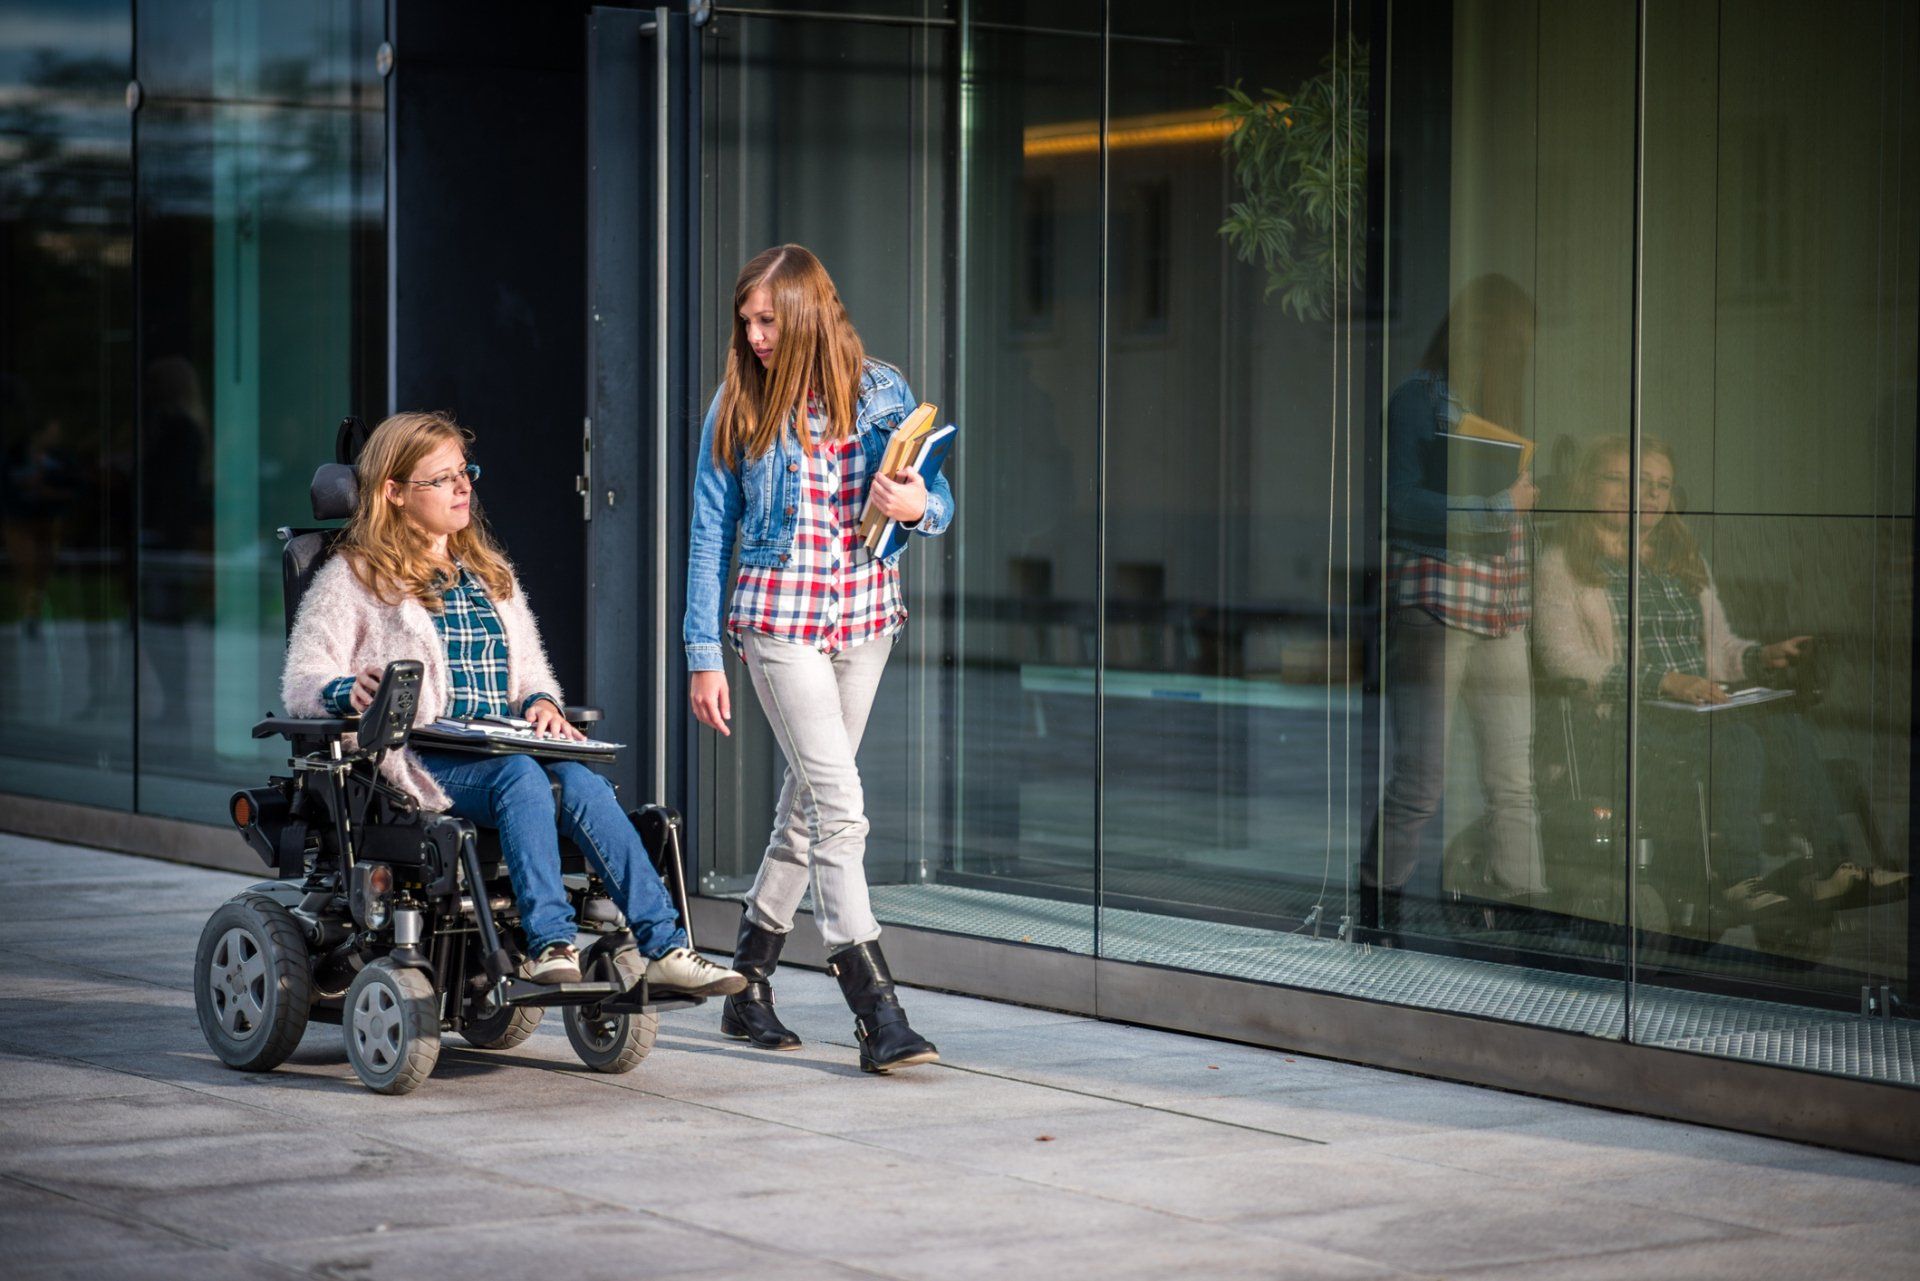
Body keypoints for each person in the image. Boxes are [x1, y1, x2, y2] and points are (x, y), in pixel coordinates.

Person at [283, 411, 746, 995]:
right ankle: (549, 942)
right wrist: (343, 690)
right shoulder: (352, 577)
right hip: (417, 759)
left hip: (498, 741)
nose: (462, 488)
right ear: (394, 493)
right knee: (522, 778)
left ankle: (666, 946)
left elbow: (530, 673)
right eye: (441, 479)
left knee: (582, 786)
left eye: (464, 473)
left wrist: (544, 702)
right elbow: (303, 678)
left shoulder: (486, 573)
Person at [685, 244, 954, 1073]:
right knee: (839, 802)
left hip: (865, 619)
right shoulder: (740, 403)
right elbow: (708, 531)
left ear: (806, 312)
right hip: (780, 625)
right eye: (747, 322)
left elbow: (934, 498)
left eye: (769, 319)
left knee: (805, 810)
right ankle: (875, 1006)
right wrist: (703, 651)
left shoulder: (882, 389)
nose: (755, 335)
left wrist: (917, 506)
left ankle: (749, 982)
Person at [1534, 434, 1905, 920]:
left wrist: (1758, 659)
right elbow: (1564, 660)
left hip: (1696, 708)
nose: (1646, 494)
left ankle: (1833, 869)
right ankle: (1736, 879)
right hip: (1624, 725)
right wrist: (1663, 681)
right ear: (1586, 486)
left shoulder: (1681, 561)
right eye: (1625, 481)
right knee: (1737, 744)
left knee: (1785, 724)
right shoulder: (1562, 564)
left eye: (1660, 485)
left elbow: (1720, 650)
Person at [1362, 274, 1547, 935]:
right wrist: (1498, 505)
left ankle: (1526, 910)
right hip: (1437, 605)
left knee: (1513, 778)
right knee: (1422, 778)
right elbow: (1402, 502)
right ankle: (1378, 913)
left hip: (1503, 609)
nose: (1521, 354)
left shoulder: (1508, 407)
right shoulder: (1420, 398)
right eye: (1515, 341)